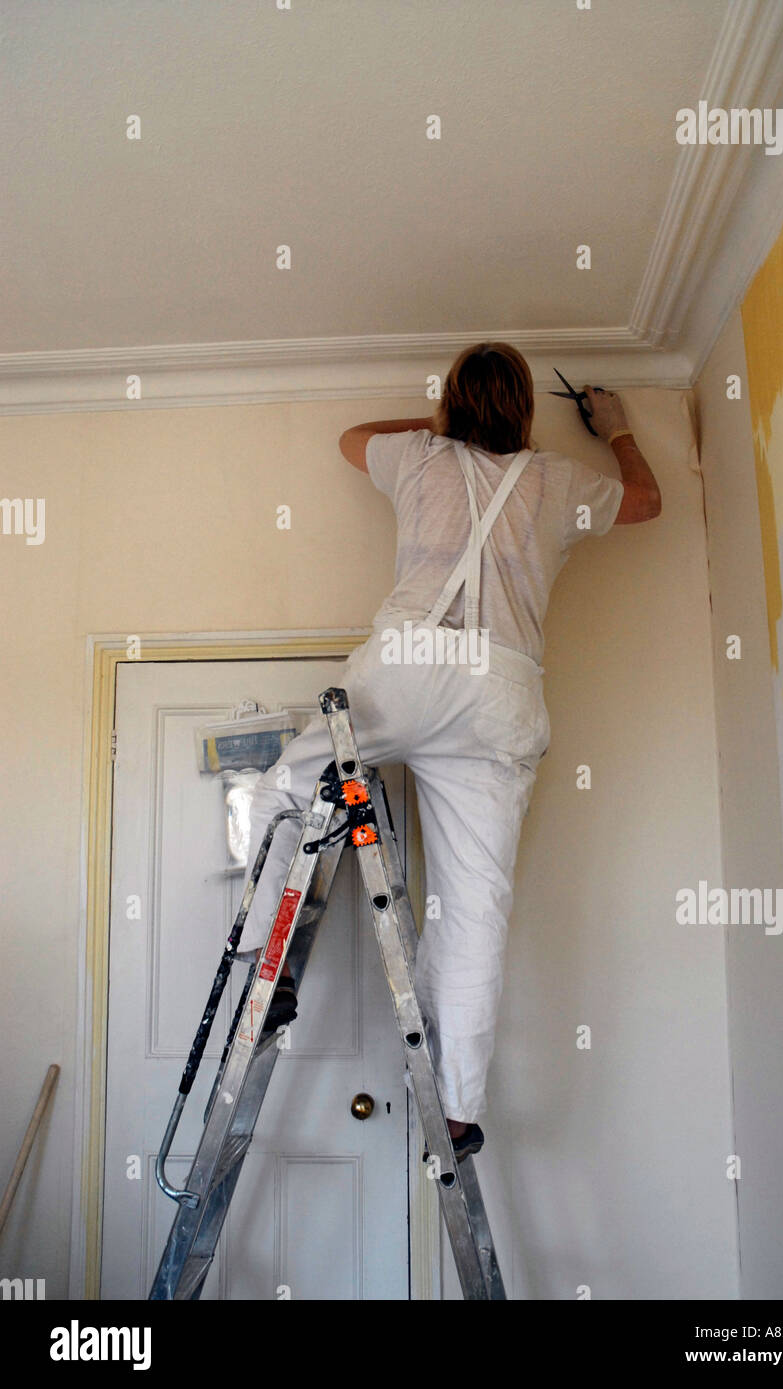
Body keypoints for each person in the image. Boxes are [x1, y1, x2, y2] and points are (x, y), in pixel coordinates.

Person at [236, 343, 661, 1161]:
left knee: (290, 784)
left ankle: (270, 952)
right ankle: (457, 1105)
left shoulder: (416, 454)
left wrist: (442, 427)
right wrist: (616, 430)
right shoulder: (559, 482)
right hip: (500, 693)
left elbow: (349, 438)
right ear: (527, 413)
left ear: (450, 403)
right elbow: (647, 502)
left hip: (407, 672)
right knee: (475, 902)